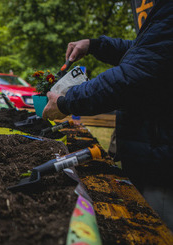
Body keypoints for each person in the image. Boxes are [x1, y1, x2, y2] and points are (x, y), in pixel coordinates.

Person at [42, 0, 173, 230]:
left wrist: (65, 102)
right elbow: (140, 51)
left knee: (156, 241)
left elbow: (132, 76)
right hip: (153, 150)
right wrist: (94, 45)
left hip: (162, 166)